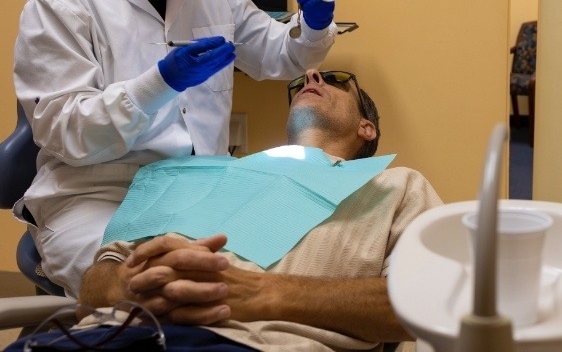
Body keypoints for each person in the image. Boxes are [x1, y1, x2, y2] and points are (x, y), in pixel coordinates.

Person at [12, 0, 337, 299]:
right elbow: (64, 130)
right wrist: (157, 84)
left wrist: (314, 26)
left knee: (296, 259)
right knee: (165, 288)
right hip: (98, 196)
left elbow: (278, 55)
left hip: (203, 190)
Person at [73, 69, 443, 352]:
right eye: (302, 81)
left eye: (335, 80)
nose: (311, 76)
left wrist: (264, 293)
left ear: (367, 128)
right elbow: (95, 282)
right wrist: (124, 284)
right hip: (113, 335)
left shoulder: (395, 187)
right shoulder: (200, 173)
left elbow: (427, 302)